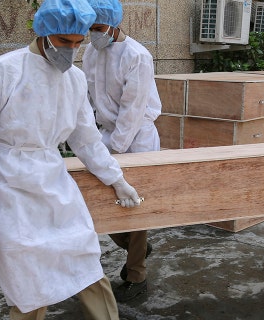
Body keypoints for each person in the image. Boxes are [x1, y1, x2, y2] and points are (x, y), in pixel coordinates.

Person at [0, 0, 142, 318]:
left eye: (78, 43)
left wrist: (116, 179)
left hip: (53, 181)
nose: (72, 50)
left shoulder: (75, 80)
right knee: (29, 281)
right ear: (44, 32)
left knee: (85, 259)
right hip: (8, 186)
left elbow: (86, 139)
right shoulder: (3, 71)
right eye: (64, 42)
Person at [83, 0, 161, 303]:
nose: (93, 34)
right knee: (102, 201)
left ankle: (136, 274)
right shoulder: (91, 51)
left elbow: (132, 110)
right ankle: (135, 247)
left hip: (136, 137)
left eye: (98, 28)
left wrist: (112, 153)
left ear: (115, 24)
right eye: (89, 29)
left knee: (133, 207)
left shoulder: (137, 56)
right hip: (105, 135)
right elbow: (90, 98)